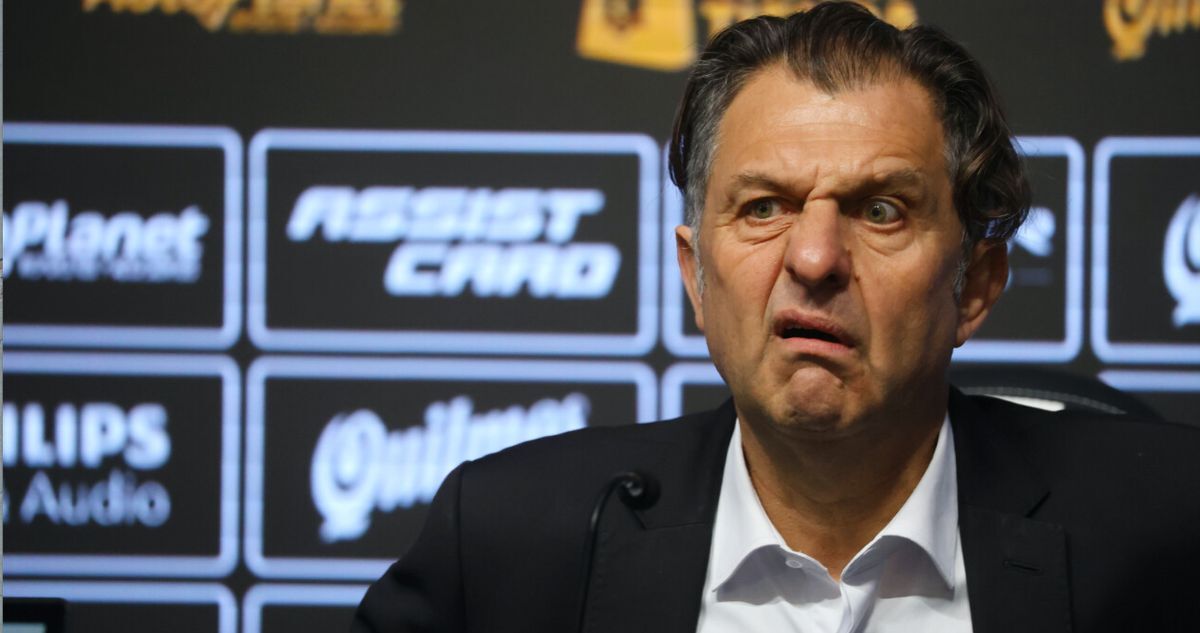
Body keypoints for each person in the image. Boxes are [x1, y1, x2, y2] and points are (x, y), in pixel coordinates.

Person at [354, 3, 1200, 632]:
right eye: (763, 207)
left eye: (881, 210)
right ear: (696, 275)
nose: (815, 258)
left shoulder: (1169, 528)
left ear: (975, 284)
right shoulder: (505, 542)